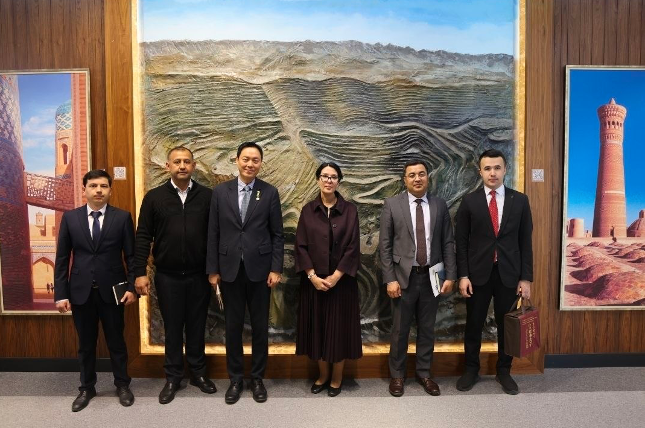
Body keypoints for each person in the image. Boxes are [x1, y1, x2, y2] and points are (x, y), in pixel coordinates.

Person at [134, 146, 215, 404]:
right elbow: (143, 236)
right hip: (167, 276)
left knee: (197, 326)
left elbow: (216, 236)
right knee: (172, 328)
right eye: (177, 162)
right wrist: (139, 272)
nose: (182, 166)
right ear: (167, 166)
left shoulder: (208, 196)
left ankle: (198, 374)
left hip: (199, 275)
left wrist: (215, 270)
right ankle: (173, 377)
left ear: (194, 166)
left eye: (187, 161)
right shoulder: (154, 197)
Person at [206, 141, 284, 404]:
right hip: (229, 271)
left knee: (260, 327)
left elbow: (277, 234)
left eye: (255, 160)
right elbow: (213, 232)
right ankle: (236, 379)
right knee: (233, 327)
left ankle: (257, 378)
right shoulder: (221, 192)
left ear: (260, 163)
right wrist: (212, 270)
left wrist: (276, 268)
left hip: (260, 271)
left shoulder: (269, 192)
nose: (250, 164)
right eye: (246, 159)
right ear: (237, 160)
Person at [54, 169, 136, 412]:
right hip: (81, 292)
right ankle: (86, 387)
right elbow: (62, 259)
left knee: (116, 342)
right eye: (93, 186)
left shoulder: (122, 217)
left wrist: (131, 287)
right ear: (84, 190)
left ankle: (122, 385)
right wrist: (61, 294)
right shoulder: (70, 218)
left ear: (110, 190)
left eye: (103, 186)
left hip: (114, 292)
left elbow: (131, 257)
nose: (98, 190)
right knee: (86, 344)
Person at [455, 149, 533, 395]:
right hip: (477, 275)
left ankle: (504, 371)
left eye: (497, 168)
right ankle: (471, 369)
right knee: (474, 324)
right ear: (480, 172)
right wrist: (463, 275)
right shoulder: (469, 201)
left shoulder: (520, 201)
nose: (492, 173)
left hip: (509, 274)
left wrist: (526, 278)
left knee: (506, 326)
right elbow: (461, 243)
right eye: (487, 168)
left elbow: (525, 242)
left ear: (505, 170)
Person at [379, 160, 457, 397]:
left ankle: (424, 373)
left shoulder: (439, 205)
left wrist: (450, 275)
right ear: (405, 180)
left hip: (432, 277)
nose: (417, 178)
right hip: (403, 278)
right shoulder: (392, 205)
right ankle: (397, 375)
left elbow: (447, 242)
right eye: (411, 175)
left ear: (427, 177)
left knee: (427, 329)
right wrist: (390, 279)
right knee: (400, 330)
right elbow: (385, 246)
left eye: (421, 174)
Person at [295, 162, 362, 397]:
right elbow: (300, 246)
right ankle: (322, 375)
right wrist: (312, 276)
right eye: (324, 176)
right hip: (313, 283)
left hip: (342, 283)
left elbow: (353, 247)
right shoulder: (308, 210)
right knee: (318, 331)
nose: (328, 180)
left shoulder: (350, 210)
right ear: (318, 180)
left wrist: (336, 276)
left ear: (338, 181)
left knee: (339, 331)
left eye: (333, 177)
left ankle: (336, 378)